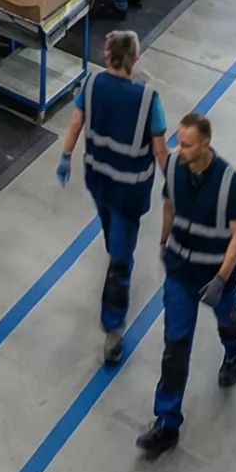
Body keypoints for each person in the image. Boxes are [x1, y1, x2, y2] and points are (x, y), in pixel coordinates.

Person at [139, 111, 236, 459]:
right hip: (181, 273)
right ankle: (167, 423)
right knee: (175, 347)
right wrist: (162, 242)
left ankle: (235, 349)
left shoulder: (229, 181)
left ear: (206, 143)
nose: (179, 150)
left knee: (227, 322)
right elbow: (169, 206)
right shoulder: (173, 167)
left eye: (187, 145)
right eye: (178, 142)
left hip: (216, 275)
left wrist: (221, 279)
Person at [57, 30, 171, 364]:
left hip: (98, 183)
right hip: (129, 193)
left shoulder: (92, 85)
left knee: (113, 237)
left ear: (108, 56)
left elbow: (76, 122)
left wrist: (66, 157)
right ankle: (113, 330)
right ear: (135, 60)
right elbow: (161, 151)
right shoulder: (148, 100)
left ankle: (115, 262)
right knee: (121, 259)